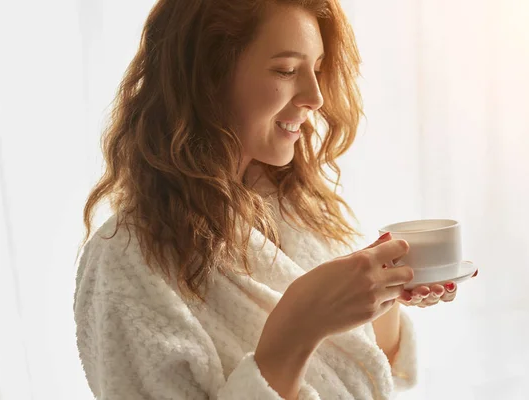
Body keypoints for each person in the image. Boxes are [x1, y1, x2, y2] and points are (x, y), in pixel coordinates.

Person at [74, 0, 472, 398]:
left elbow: (361, 373)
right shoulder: (125, 260)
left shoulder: (292, 211)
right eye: (286, 70)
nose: (315, 97)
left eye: (316, 71)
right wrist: (298, 324)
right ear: (207, 75)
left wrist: (381, 294)